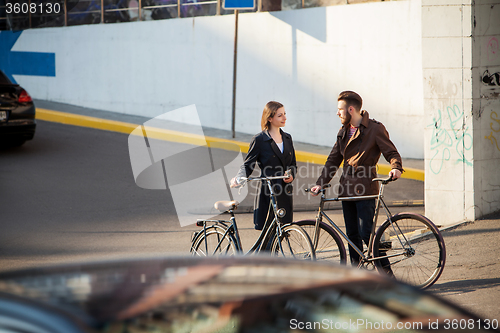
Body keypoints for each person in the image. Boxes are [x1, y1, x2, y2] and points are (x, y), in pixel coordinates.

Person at [310, 91, 403, 272]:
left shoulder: (375, 129)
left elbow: (391, 152)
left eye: (340, 110)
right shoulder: (343, 131)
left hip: (365, 188)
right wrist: (321, 182)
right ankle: (357, 276)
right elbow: (333, 160)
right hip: (347, 189)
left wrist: (396, 167)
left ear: (350, 109)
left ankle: (387, 276)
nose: (337, 113)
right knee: (352, 236)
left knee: (367, 234)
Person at [230, 101, 296, 230]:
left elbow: (292, 164)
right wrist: (239, 178)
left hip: (285, 192)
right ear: (270, 118)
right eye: (280, 115)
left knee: (283, 231)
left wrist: (292, 175)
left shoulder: (288, 138)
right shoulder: (259, 140)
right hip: (268, 192)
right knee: (268, 235)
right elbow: (248, 164)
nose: (284, 118)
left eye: (284, 114)